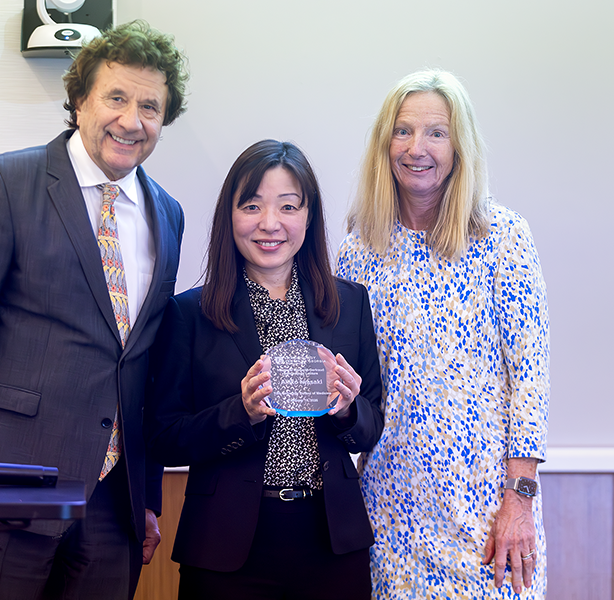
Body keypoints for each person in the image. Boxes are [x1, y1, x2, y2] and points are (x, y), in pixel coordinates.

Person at [0, 20, 188, 600]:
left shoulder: (169, 214)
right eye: (116, 97)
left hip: (115, 512)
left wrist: (146, 496)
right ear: (80, 100)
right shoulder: (4, 183)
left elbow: (145, 369)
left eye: (151, 106)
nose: (131, 120)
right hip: (1, 495)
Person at [336, 69, 550, 598]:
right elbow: (353, 386)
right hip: (389, 507)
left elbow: (530, 375)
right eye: (403, 131)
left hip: (486, 511)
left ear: (460, 146)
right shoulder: (359, 252)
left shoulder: (502, 237)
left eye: (437, 132)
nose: (417, 148)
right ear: (385, 144)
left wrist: (519, 502)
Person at [146, 140, 384, 599]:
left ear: (308, 217)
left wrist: (348, 409)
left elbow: (371, 428)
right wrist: (243, 412)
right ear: (229, 217)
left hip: (332, 542)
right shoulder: (190, 314)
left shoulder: (349, 304)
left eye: (288, 206)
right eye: (252, 205)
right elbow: (163, 437)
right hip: (226, 547)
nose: (270, 224)